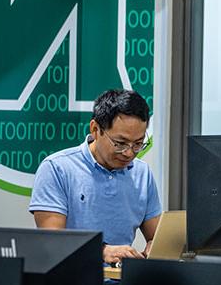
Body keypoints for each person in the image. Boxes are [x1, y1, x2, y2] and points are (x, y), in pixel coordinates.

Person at [29, 89, 162, 264]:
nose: (129, 153)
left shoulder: (142, 174)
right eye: (120, 143)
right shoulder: (57, 169)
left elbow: (157, 237)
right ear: (95, 129)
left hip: (123, 284)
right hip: (70, 284)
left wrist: (155, 247)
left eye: (138, 144)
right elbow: (53, 241)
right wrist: (102, 251)